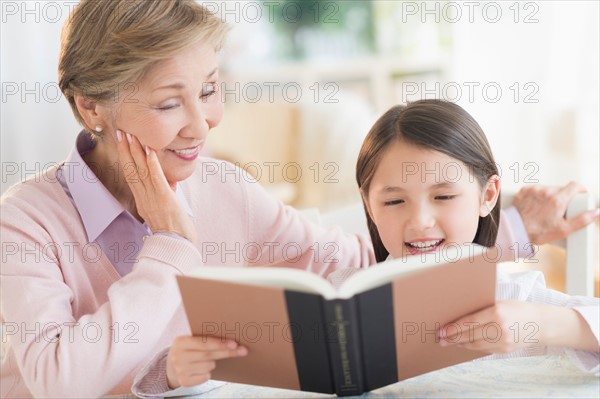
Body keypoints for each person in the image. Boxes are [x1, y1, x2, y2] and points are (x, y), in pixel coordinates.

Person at [0, 1, 596, 397]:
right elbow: (59, 380)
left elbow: (362, 272)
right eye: (167, 103)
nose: (202, 127)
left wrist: (506, 230)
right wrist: (171, 247)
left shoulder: (223, 187)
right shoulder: (26, 221)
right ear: (90, 106)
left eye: (209, 90)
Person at [328, 99, 598, 374]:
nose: (420, 222)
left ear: (488, 195)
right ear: (369, 205)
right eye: (395, 201)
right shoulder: (343, 300)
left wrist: (538, 323)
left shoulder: (517, 300)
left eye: (443, 196)